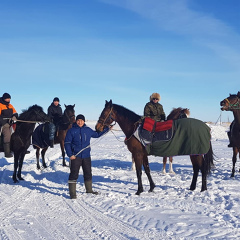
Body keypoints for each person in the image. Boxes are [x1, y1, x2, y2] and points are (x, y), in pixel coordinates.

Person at [64, 114, 110, 199]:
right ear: (76, 121)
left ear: (84, 121)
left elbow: (97, 135)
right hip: (76, 156)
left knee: (88, 173)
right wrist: (70, 154)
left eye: (81, 120)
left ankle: (89, 190)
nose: (80, 122)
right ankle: (73, 194)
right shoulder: (71, 131)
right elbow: (67, 143)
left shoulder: (88, 130)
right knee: (74, 174)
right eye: (78, 120)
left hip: (86, 156)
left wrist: (107, 129)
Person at [0, 93, 18, 158]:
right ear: (4, 99)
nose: (8, 100)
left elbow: (15, 113)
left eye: (9, 99)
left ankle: (18, 148)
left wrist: (14, 116)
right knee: (7, 135)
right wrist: (4, 122)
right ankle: (7, 153)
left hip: (11, 122)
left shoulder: (10, 105)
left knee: (18, 131)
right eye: (7, 98)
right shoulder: (0, 105)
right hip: (3, 124)